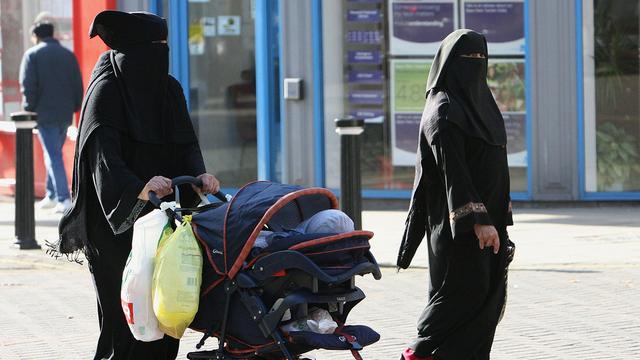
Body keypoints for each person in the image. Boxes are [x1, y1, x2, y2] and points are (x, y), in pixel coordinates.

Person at [54, 11, 220, 360]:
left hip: (165, 218)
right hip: (114, 225)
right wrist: (137, 188)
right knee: (124, 319)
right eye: (153, 48)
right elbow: (102, 158)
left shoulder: (169, 88)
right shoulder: (106, 90)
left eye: (164, 47)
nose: (160, 56)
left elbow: (186, 142)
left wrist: (201, 176)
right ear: (135, 51)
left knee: (165, 309)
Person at [396, 29, 515, 360]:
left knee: (486, 305)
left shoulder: (482, 104)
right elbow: (454, 175)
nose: (476, 66)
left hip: (491, 229)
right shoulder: (444, 110)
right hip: (458, 230)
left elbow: (494, 165)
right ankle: (417, 353)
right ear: (449, 63)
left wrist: (498, 220)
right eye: (468, 59)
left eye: (481, 59)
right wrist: (478, 220)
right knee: (460, 298)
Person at [19, 21, 83, 213]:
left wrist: (28, 109)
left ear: (36, 36)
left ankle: (63, 197)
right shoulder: (68, 55)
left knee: (53, 154)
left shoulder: (32, 55)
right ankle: (51, 193)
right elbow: (77, 85)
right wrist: (75, 107)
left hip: (43, 114)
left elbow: (28, 85)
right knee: (53, 152)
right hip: (64, 114)